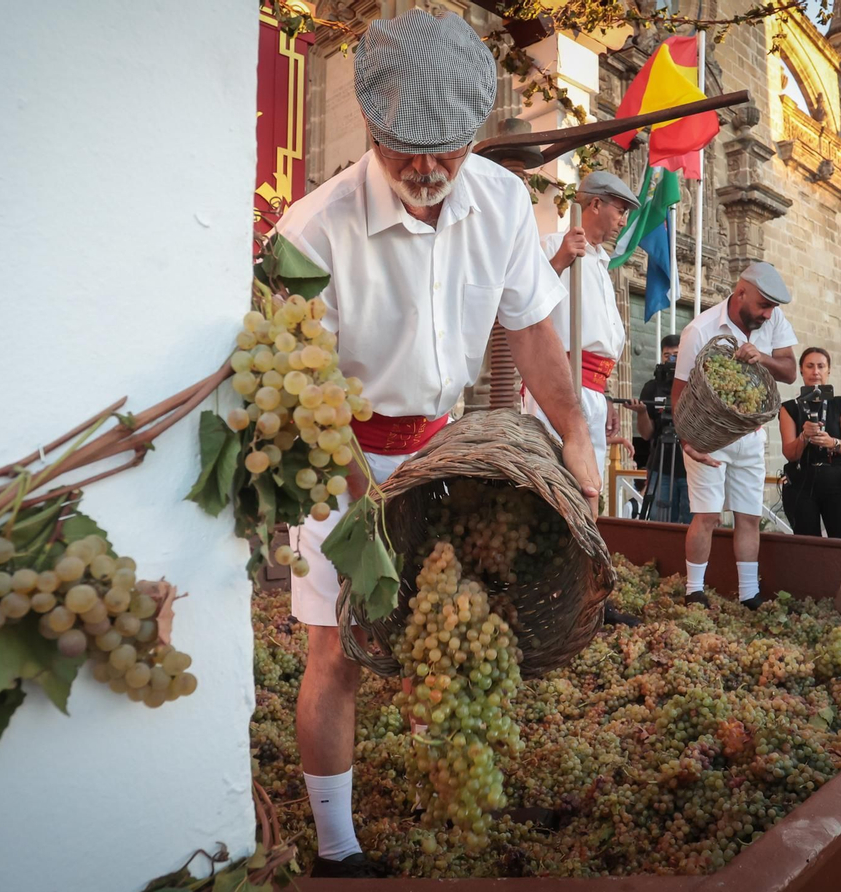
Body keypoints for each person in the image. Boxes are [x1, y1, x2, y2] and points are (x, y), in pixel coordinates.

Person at [273, 10, 598, 877]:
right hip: (341, 454)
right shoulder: (312, 233)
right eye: (403, 146)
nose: (426, 168)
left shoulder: (500, 201)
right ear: (373, 126)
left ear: (473, 134)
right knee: (337, 648)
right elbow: (311, 395)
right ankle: (337, 849)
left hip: (447, 454)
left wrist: (576, 433)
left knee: (443, 624)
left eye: (445, 149)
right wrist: (364, 507)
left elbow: (531, 330)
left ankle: (438, 785)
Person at [673, 262, 798, 608]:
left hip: (752, 434)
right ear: (741, 292)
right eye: (763, 305)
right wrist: (687, 441)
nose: (768, 315)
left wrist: (763, 359)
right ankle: (694, 591)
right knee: (707, 515)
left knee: (749, 516)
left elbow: (790, 371)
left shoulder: (774, 321)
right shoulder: (699, 330)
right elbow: (678, 391)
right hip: (708, 438)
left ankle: (748, 595)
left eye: (773, 308)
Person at [522, 171, 640, 484]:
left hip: (594, 387)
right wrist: (560, 259)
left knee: (590, 482)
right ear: (597, 204)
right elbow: (525, 302)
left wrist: (608, 395)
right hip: (561, 380)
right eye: (620, 210)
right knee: (554, 479)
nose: (623, 220)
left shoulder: (602, 263)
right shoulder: (550, 245)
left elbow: (602, 338)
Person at [778, 347, 841, 538]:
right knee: (807, 547)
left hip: (837, 481)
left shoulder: (840, 404)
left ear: (828, 371)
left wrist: (832, 442)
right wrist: (804, 437)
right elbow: (790, 453)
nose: (815, 371)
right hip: (801, 482)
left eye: (821, 366)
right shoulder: (789, 408)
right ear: (801, 370)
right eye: (810, 366)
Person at [631, 334, 692, 523]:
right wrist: (641, 412)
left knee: (693, 520)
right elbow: (647, 433)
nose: (672, 360)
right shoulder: (652, 387)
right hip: (661, 466)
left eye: (676, 354)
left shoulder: (695, 385)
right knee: (660, 522)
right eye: (667, 355)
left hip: (693, 467)